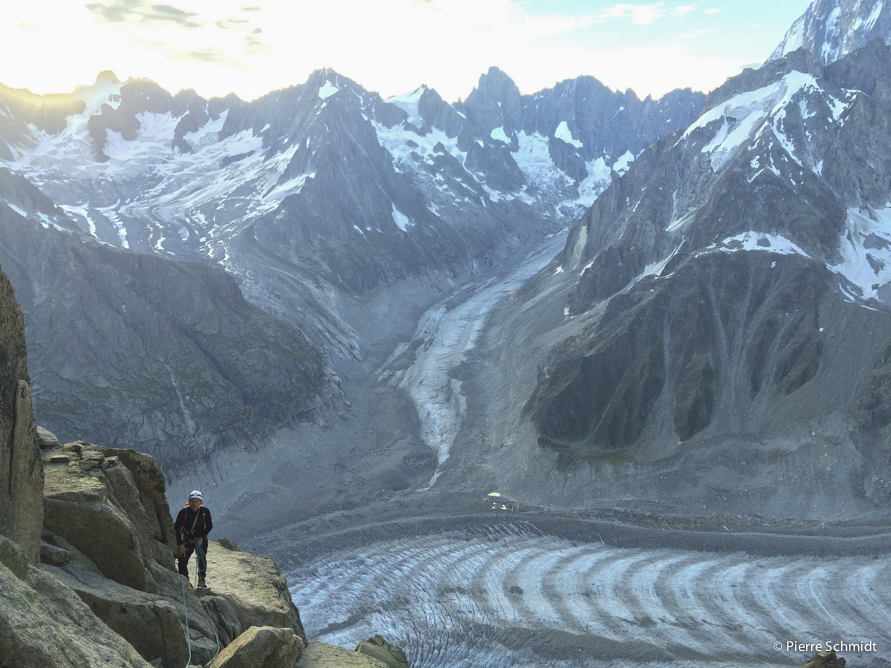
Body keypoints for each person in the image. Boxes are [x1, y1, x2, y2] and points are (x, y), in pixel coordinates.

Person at [174, 490, 213, 588]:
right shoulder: (183, 513)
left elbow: (209, 526)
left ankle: (201, 580)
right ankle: (185, 580)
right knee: (182, 561)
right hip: (187, 540)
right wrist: (181, 544)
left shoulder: (205, 512)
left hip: (200, 539)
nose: (195, 504)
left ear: (201, 502)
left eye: (197, 501)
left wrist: (201, 538)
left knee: (202, 559)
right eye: (193, 501)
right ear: (189, 502)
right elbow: (176, 529)